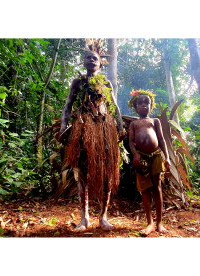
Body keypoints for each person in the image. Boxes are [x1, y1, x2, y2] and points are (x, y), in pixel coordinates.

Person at [58, 39, 124, 232]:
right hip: (83, 128)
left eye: (94, 58)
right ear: (84, 62)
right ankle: (84, 218)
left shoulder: (105, 82)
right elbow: (68, 105)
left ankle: (103, 217)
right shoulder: (78, 82)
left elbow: (114, 106)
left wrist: (120, 126)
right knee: (83, 173)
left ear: (100, 62)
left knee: (108, 173)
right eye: (88, 58)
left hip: (104, 129)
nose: (91, 60)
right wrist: (64, 126)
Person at [128, 89, 171, 235]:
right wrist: (135, 155)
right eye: (140, 103)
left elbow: (161, 140)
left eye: (147, 103)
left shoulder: (155, 121)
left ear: (151, 106)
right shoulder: (134, 124)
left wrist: (167, 158)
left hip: (156, 157)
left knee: (157, 188)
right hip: (141, 159)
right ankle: (149, 223)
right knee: (145, 190)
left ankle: (159, 222)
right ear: (136, 107)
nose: (144, 105)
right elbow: (131, 142)